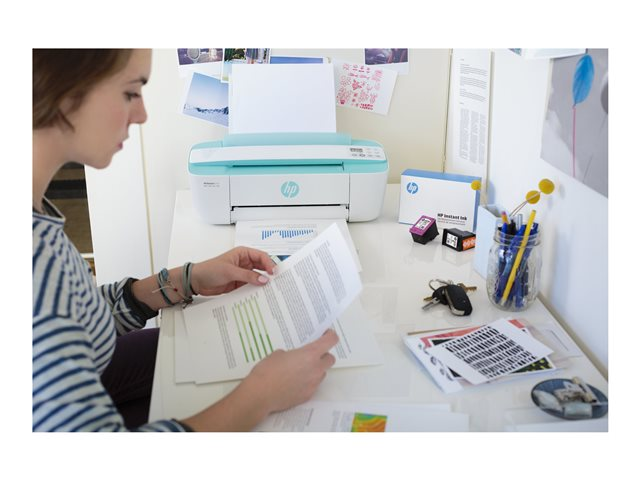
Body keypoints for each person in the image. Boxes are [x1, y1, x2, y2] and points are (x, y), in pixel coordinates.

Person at [32, 49, 339, 432]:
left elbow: (77, 319)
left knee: (193, 349)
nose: (142, 114)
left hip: (100, 368)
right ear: (63, 88)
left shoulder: (38, 221)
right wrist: (261, 395)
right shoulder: (36, 264)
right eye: (130, 92)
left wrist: (183, 280)